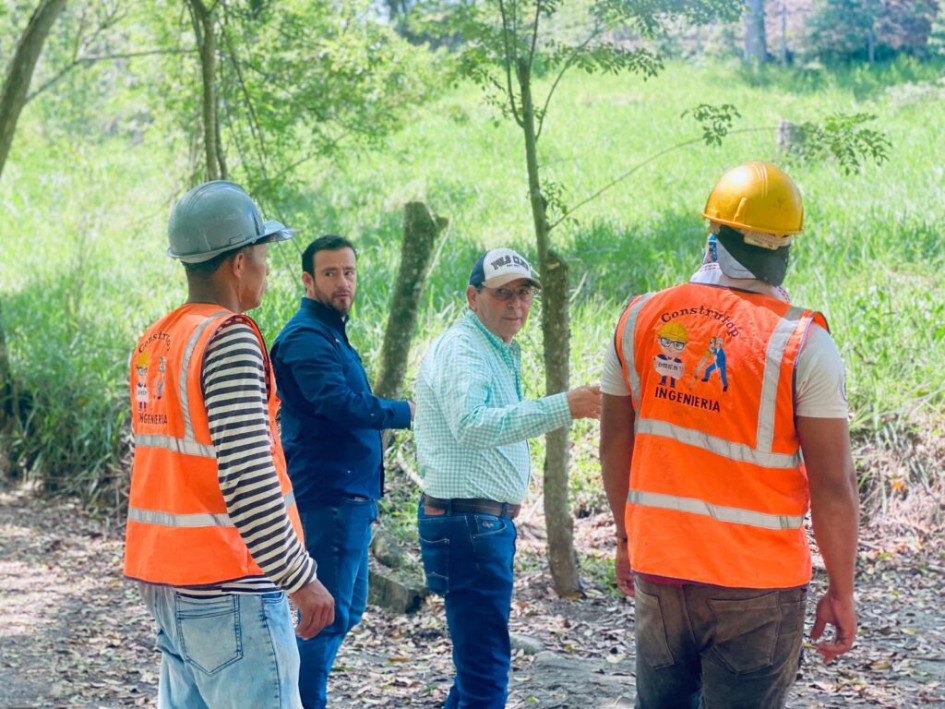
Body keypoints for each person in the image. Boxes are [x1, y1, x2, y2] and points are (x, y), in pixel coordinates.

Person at [599, 161, 859, 708]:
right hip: (758, 585)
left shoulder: (638, 318)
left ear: (713, 233)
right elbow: (833, 485)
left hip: (662, 568)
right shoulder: (802, 343)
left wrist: (625, 539)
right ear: (786, 244)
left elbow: (615, 444)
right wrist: (841, 589)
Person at [125, 180, 335, 709]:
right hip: (231, 585)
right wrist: (300, 578)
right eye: (264, 253)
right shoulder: (229, 337)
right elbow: (247, 477)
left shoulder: (159, 340)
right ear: (239, 262)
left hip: (171, 586)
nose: (268, 266)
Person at [414, 247, 602, 708]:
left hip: (476, 524)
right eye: (503, 294)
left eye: (524, 293)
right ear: (472, 296)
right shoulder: (465, 349)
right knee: (485, 673)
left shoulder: (492, 348)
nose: (516, 304)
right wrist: (564, 406)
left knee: (476, 669)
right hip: (470, 525)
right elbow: (472, 425)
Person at [270, 235, 414, 709]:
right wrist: (405, 411)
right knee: (325, 617)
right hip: (329, 496)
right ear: (308, 280)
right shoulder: (305, 338)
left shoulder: (331, 332)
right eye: (330, 273)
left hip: (352, 495)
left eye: (348, 272)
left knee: (346, 611)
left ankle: (293, 695)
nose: (342, 282)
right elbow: (338, 404)